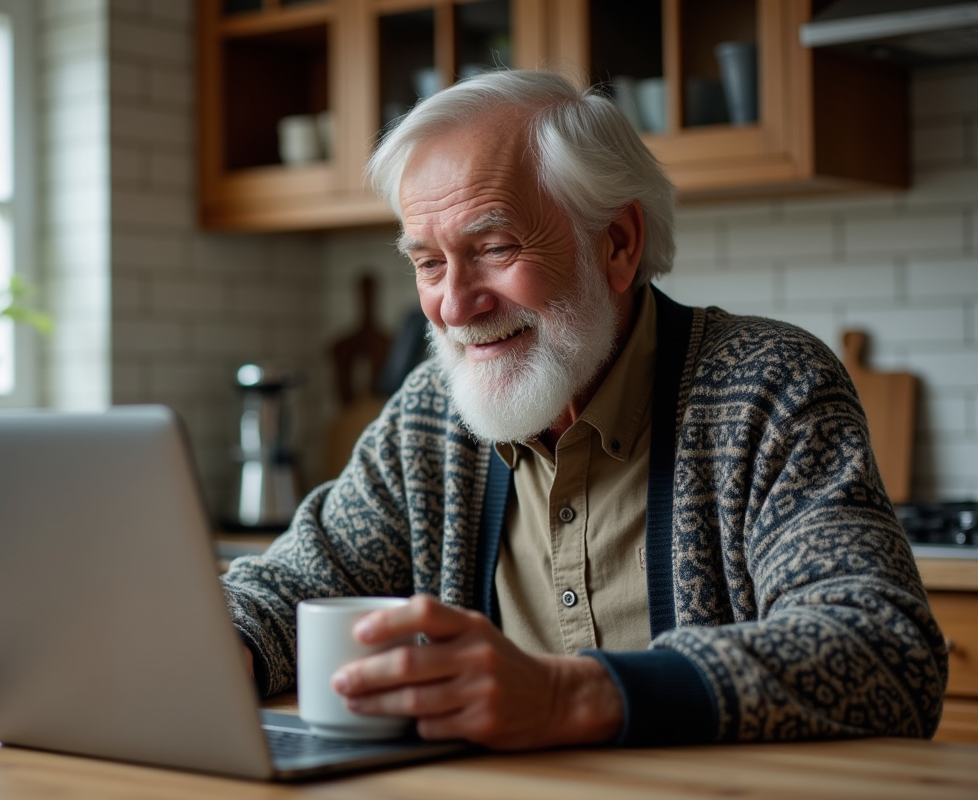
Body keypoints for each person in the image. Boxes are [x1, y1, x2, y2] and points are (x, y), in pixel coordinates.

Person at [220, 69, 948, 749]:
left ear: (619, 244)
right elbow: (294, 582)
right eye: (429, 262)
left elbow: (882, 650)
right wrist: (228, 645)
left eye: (496, 247)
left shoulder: (768, 388)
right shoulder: (433, 413)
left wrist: (570, 696)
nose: (452, 304)